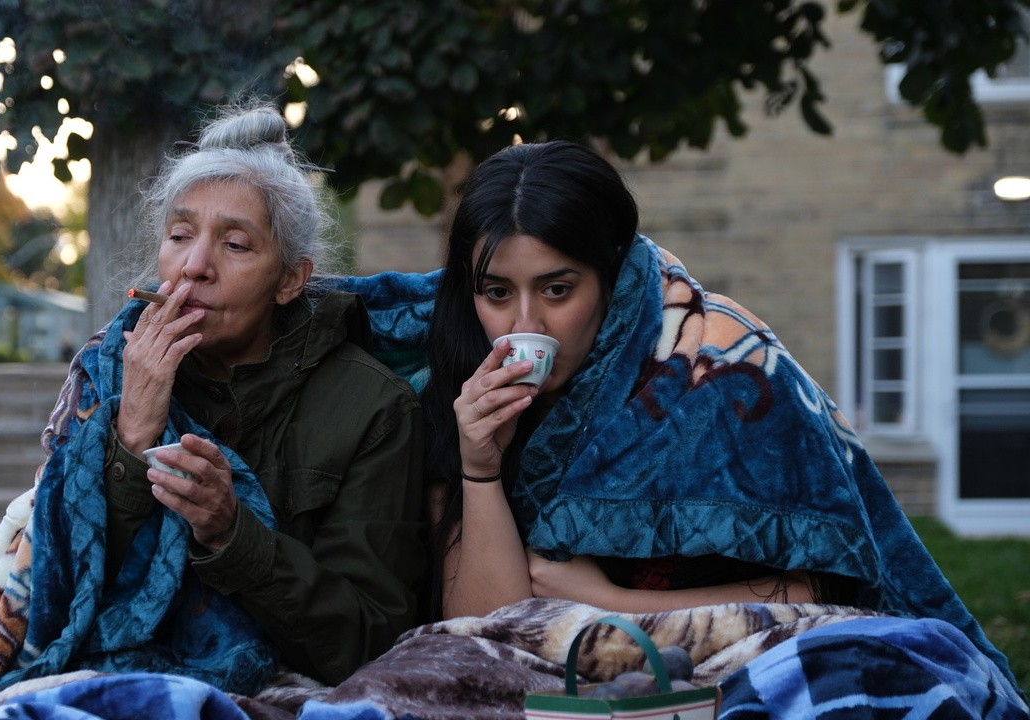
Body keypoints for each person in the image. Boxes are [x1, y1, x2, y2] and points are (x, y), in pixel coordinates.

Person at [341, 139, 1018, 689]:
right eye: (496, 292)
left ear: (611, 278)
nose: (525, 325)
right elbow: (483, 634)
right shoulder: (456, 383)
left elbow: (819, 602)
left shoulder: (718, 364)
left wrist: (602, 602)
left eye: (558, 289)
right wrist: (480, 468)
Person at [0, 101, 426, 719]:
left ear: (291, 279)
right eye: (179, 236)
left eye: (235, 244)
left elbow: (368, 638)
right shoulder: (109, 372)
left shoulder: (374, 407)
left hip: (286, 682)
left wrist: (233, 534)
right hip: (114, 663)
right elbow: (64, 584)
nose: (194, 265)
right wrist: (133, 433)